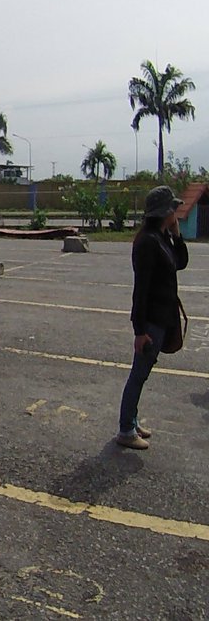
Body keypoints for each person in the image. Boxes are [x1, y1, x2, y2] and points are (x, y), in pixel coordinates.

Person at [116, 185, 188, 449]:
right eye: (173, 210)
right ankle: (125, 430)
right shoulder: (147, 242)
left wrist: (176, 234)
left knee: (142, 373)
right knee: (139, 373)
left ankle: (131, 421)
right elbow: (141, 289)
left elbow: (180, 263)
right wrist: (139, 330)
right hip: (151, 322)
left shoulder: (161, 237)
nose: (176, 214)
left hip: (162, 317)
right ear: (164, 212)